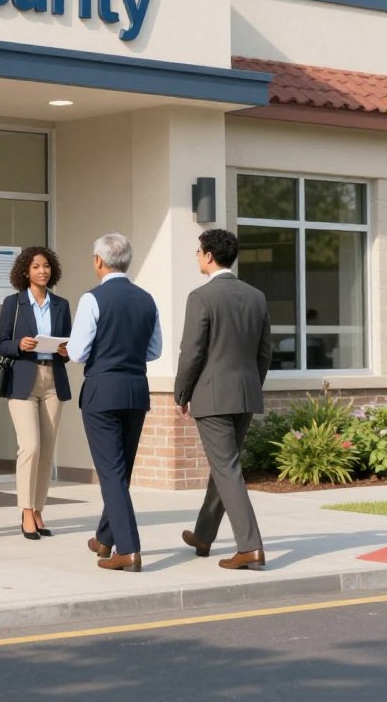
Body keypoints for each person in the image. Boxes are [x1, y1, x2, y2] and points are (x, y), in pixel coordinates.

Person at [174, 228, 272, 572]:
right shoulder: (256, 296)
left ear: (209, 256)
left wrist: (181, 394)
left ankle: (250, 546)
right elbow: (265, 353)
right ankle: (204, 535)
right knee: (225, 467)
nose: (197, 257)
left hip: (213, 396)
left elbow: (192, 353)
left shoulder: (200, 297)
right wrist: (250, 386)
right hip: (245, 393)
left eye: (199, 252)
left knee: (226, 469)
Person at [67, 233, 162, 572]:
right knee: (120, 472)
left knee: (110, 473)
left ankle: (129, 549)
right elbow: (154, 351)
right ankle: (105, 537)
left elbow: (78, 352)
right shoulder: (147, 299)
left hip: (102, 392)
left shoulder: (93, 299)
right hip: (136, 391)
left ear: (98, 261)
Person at [0, 247, 72, 540]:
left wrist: (65, 350)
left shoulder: (61, 305)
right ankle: (26, 510)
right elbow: (2, 344)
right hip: (23, 380)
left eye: (47, 266)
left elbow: (69, 346)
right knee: (30, 447)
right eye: (36, 266)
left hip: (53, 379)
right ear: (25, 272)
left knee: (47, 451)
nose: (43, 271)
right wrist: (20, 345)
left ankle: (38, 509)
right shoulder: (13, 303)